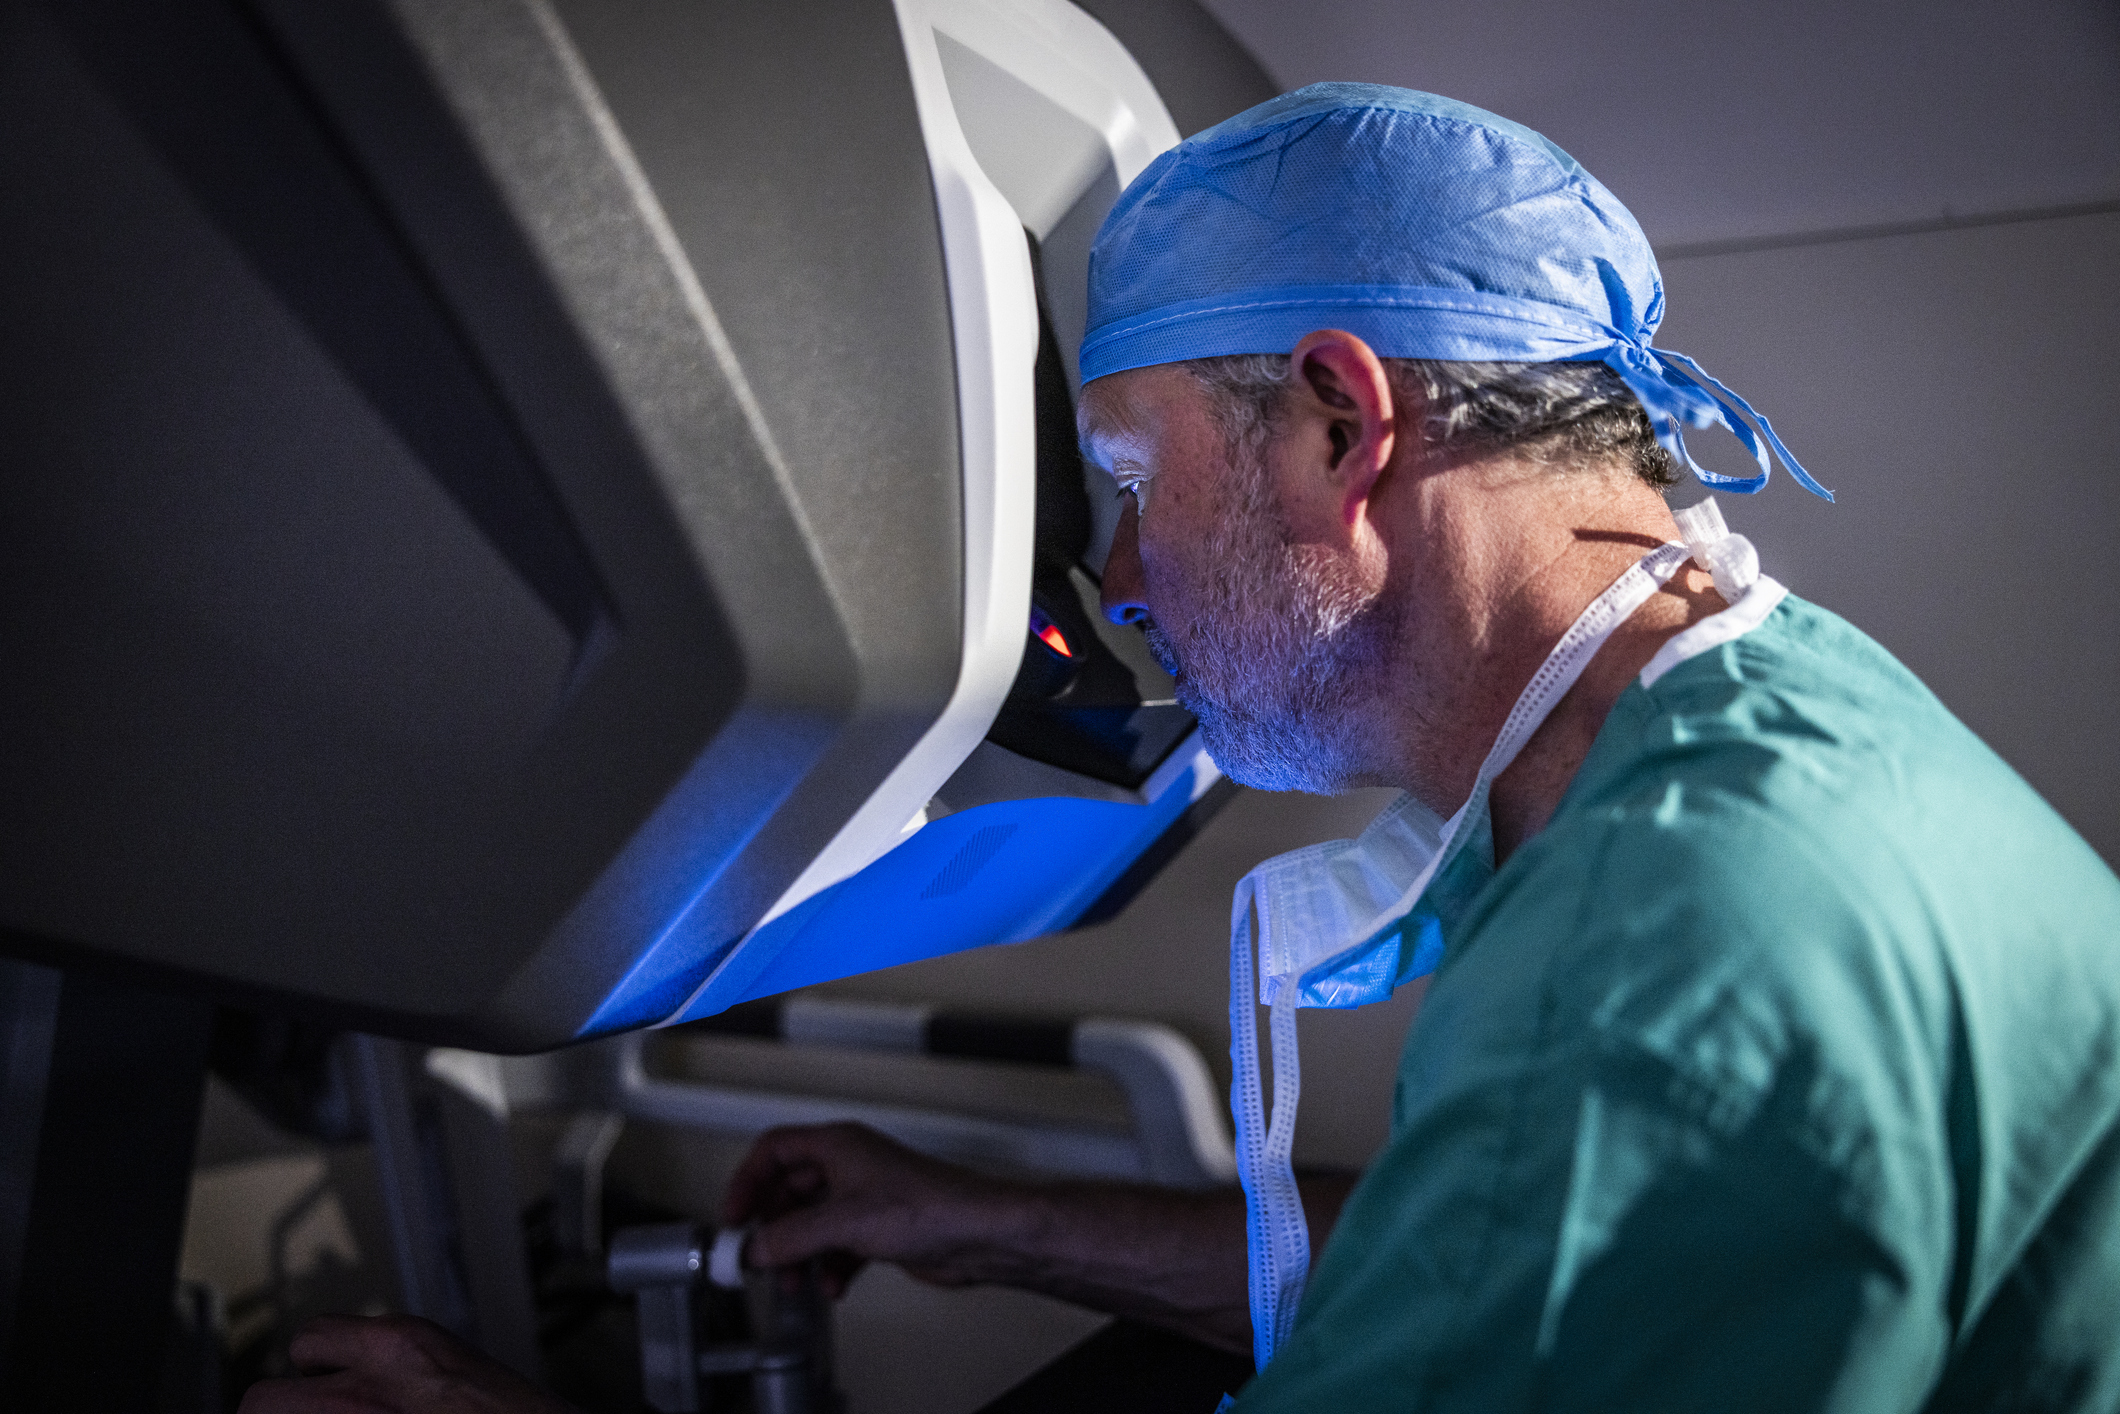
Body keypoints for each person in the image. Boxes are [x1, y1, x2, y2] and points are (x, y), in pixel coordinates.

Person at [243, 85, 2120, 1413]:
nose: (1121, 580)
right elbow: (1489, 1254)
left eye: (1135, 477)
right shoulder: (1759, 716)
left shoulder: (1668, 957)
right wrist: (987, 1214)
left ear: (1337, 419)